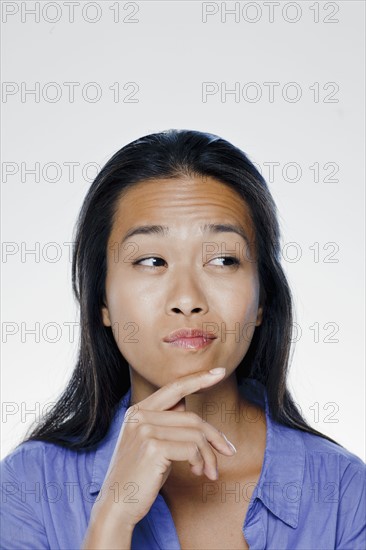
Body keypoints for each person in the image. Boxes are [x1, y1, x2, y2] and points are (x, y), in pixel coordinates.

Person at [1, 129, 365, 550]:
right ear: (102, 300)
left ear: (263, 297)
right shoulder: (28, 486)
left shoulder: (345, 494)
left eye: (223, 259)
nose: (187, 300)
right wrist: (112, 518)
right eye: (151, 260)